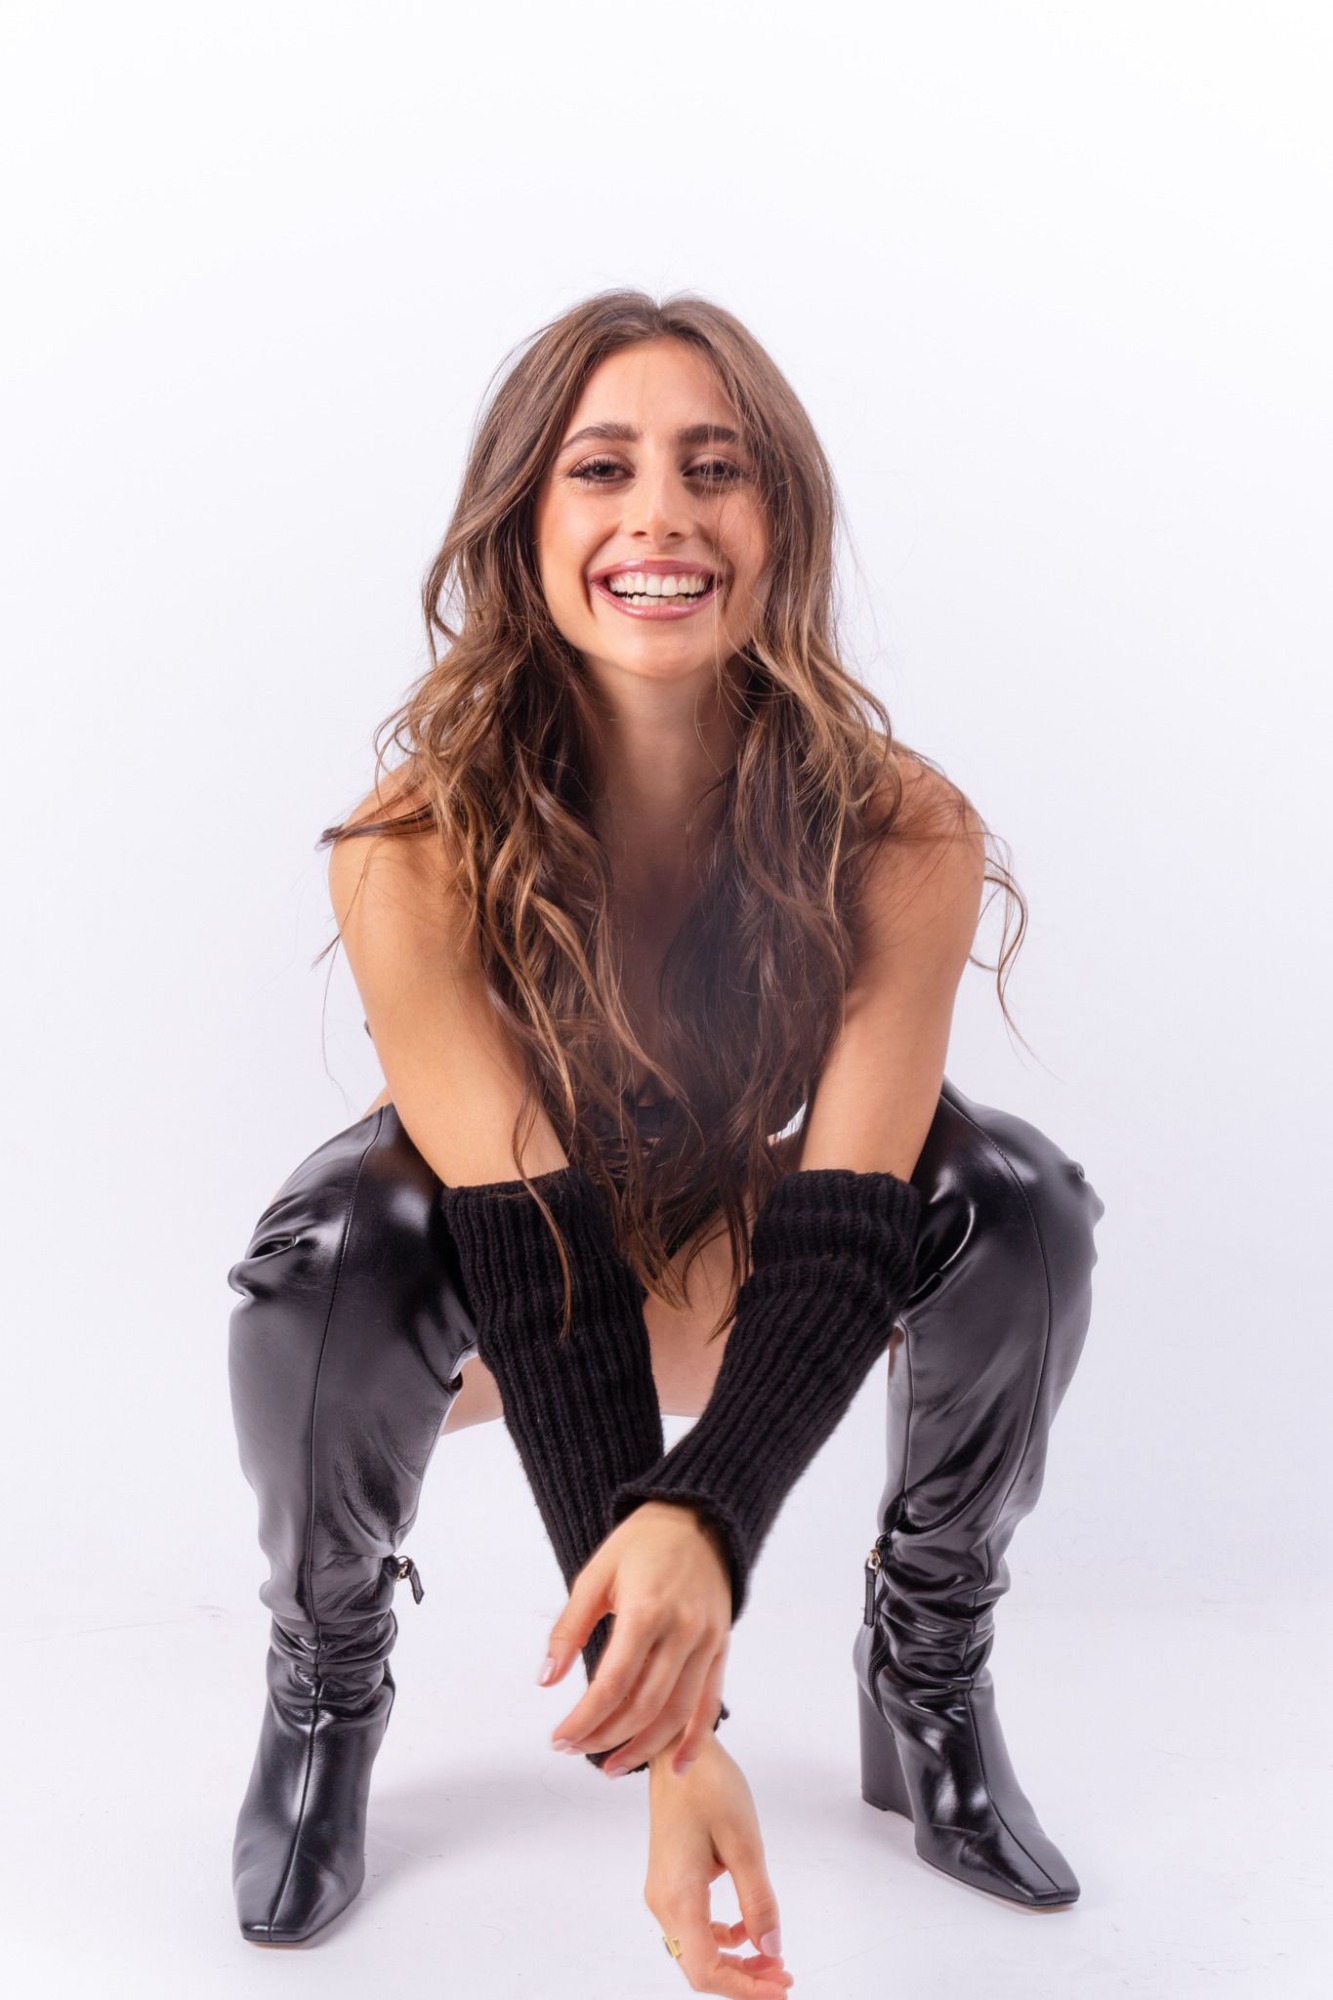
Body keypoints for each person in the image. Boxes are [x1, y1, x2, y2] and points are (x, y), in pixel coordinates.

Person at [225, 289, 1105, 1992]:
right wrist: (670, 1744)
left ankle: (925, 1664)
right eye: (599, 469)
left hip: (746, 1277)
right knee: (334, 1247)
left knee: (1014, 1203)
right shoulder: (412, 843)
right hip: (508, 1307)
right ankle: (326, 1678)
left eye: (715, 468)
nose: (661, 516)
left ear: (781, 523)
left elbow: (846, 1227)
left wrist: (700, 1525)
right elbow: (536, 1262)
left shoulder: (899, 827)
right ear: (521, 527)